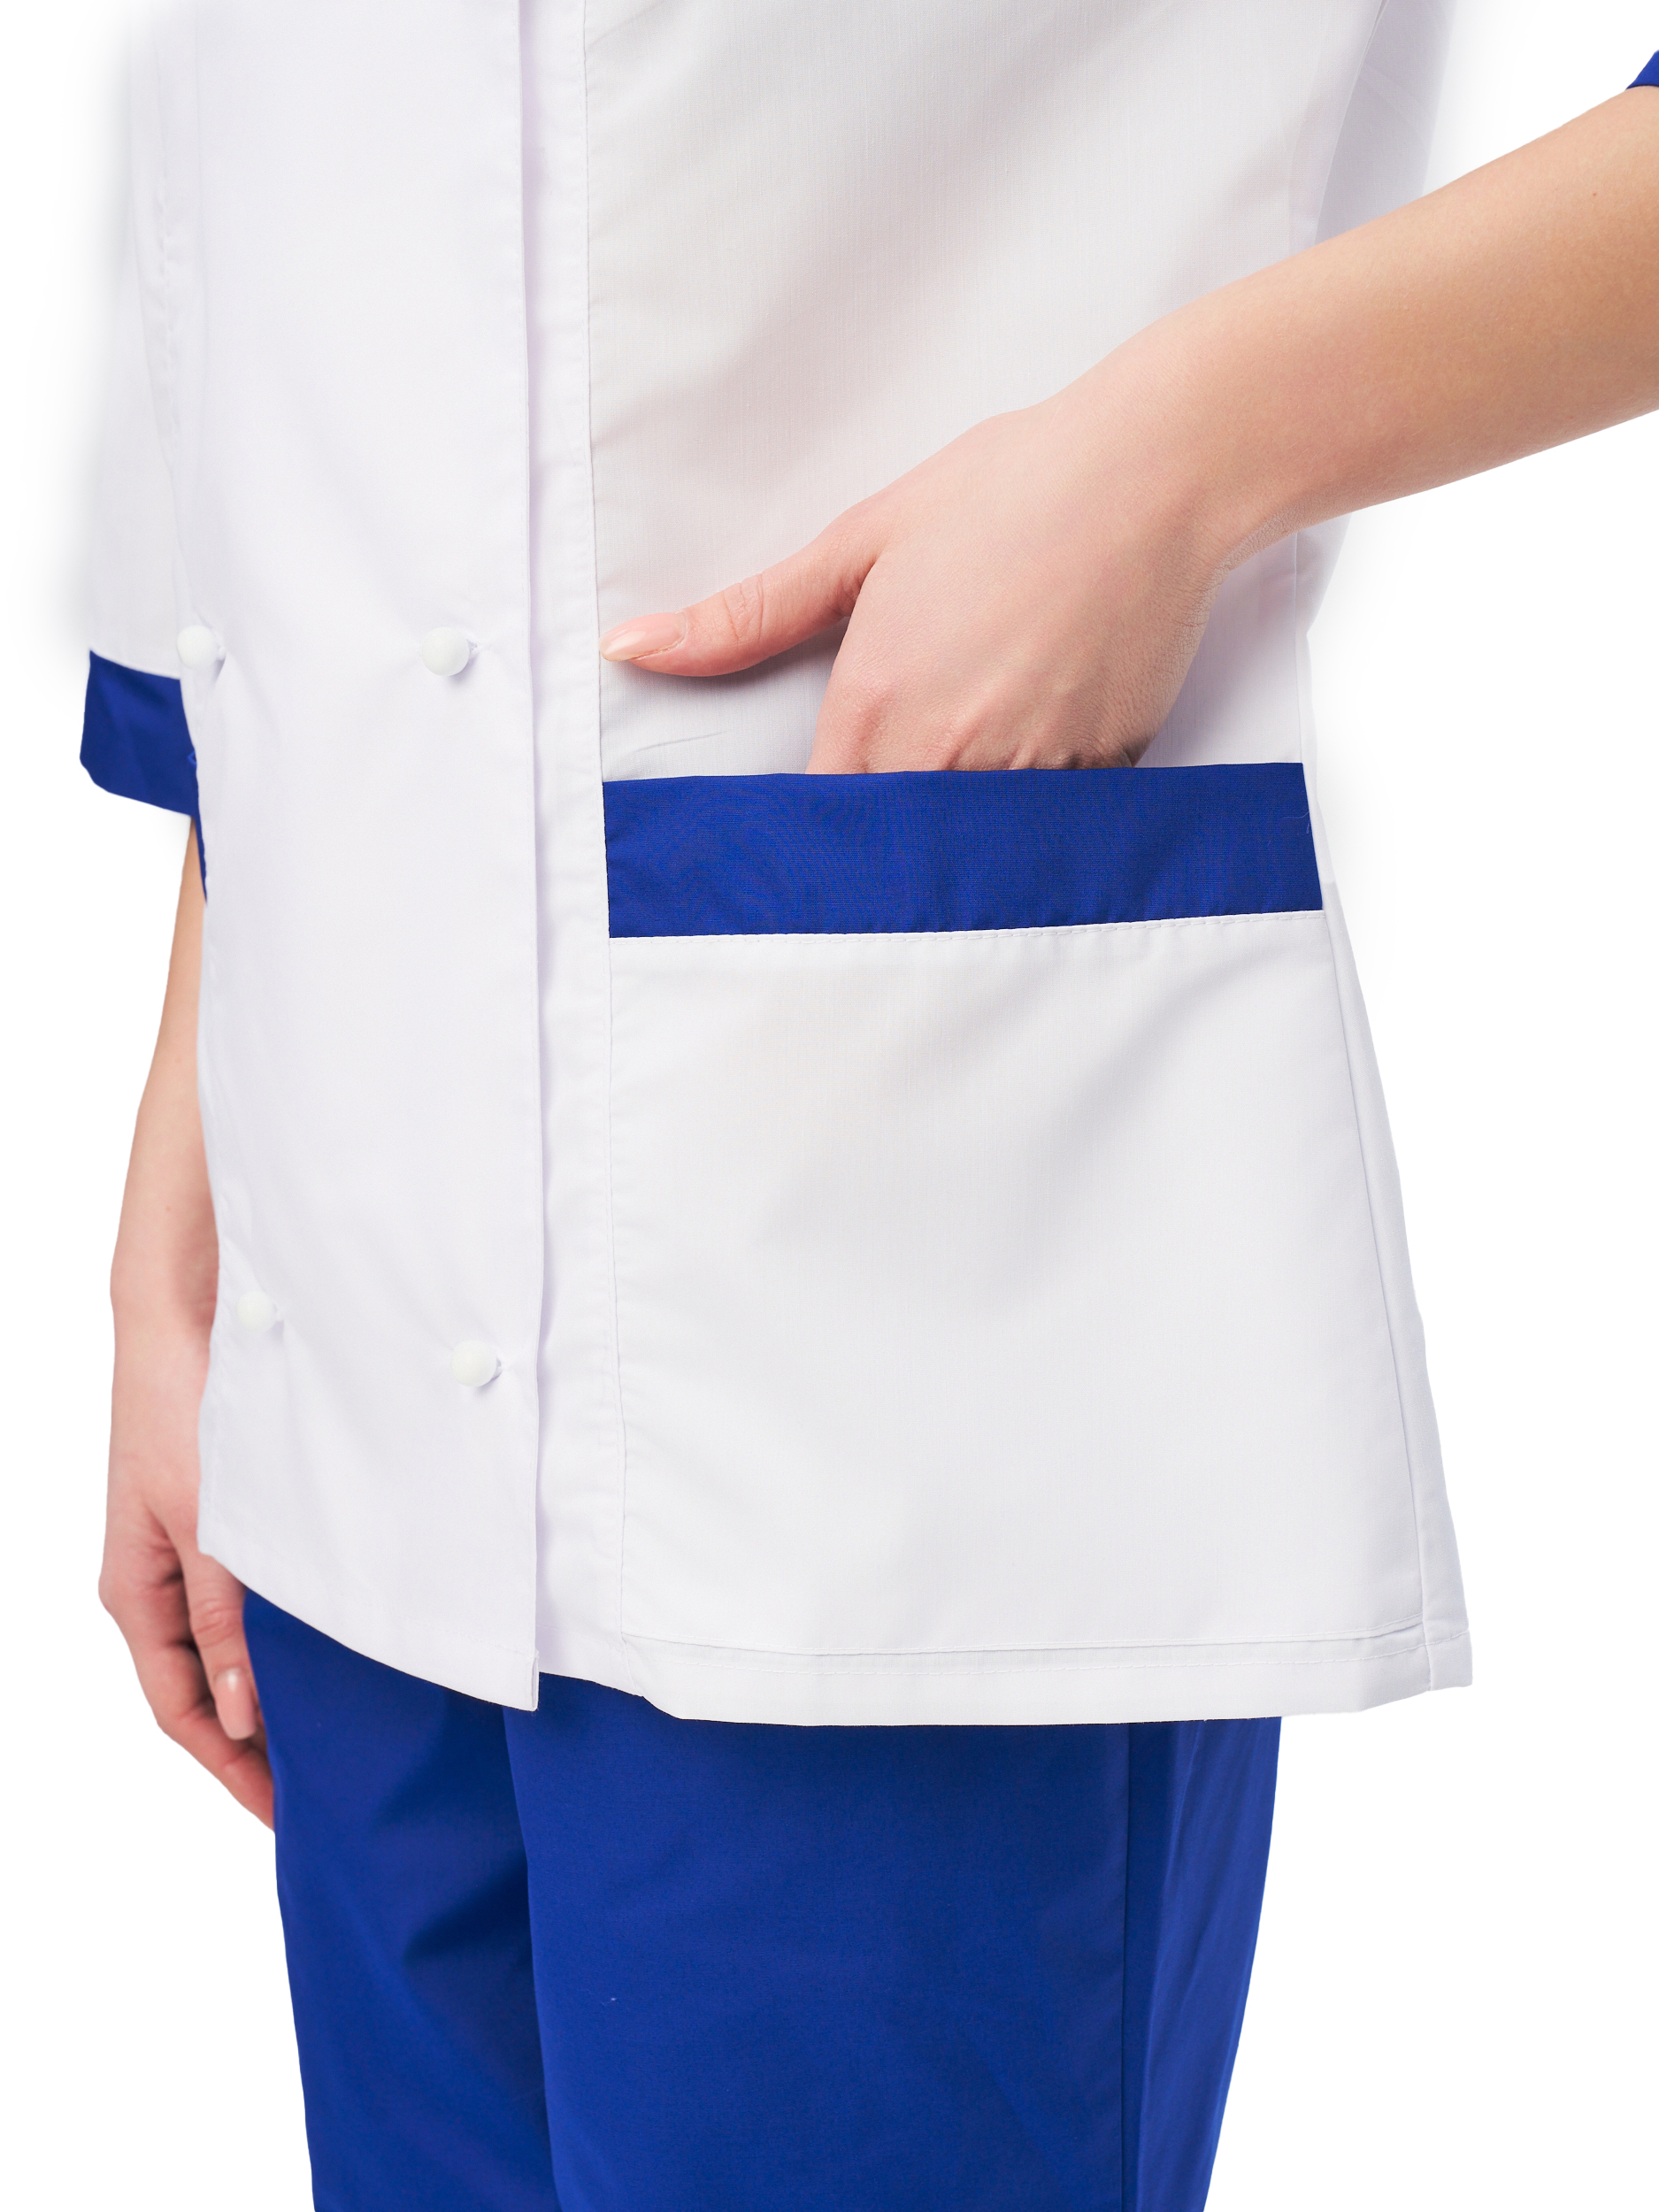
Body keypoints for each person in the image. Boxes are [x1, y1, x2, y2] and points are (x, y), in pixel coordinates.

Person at [81, 4, 1659, 2205]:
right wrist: (196, 1138)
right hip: (340, 1317)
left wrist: (1164, 461)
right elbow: (257, 202)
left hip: (882, 1332)